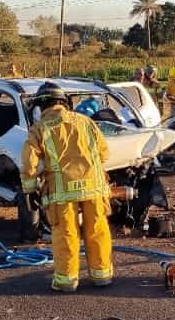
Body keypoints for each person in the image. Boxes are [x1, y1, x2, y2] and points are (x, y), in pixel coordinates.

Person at [21, 82, 114, 292]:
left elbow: (29, 164)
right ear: (64, 102)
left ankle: (67, 281)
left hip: (61, 192)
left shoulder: (39, 128)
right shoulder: (86, 121)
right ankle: (102, 276)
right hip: (94, 188)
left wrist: (29, 190)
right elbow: (104, 153)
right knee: (97, 230)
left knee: (66, 233)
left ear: (42, 105)